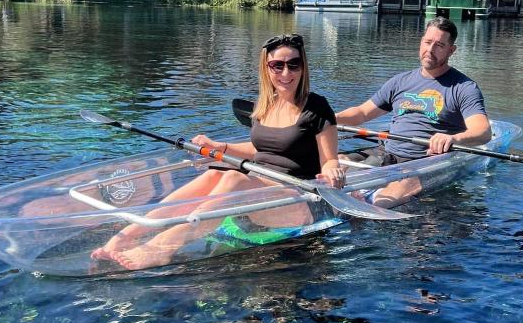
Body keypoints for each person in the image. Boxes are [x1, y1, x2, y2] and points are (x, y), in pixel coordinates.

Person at [92, 33, 344, 269]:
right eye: (277, 65)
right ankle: (125, 236)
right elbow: (263, 148)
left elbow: (330, 159)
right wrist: (220, 147)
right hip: (261, 189)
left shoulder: (316, 106)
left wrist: (334, 171)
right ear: (266, 69)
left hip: (298, 201)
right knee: (216, 173)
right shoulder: (265, 105)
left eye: (294, 64)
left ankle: (161, 247)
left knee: (233, 176)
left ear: (303, 67)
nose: (286, 72)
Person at [336, 17, 491, 207]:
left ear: (452, 50)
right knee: (337, 162)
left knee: (387, 198)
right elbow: (362, 113)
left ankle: (364, 203)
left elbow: (483, 131)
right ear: (421, 42)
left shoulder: (464, 87)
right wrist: (327, 118)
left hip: (424, 162)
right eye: (427, 42)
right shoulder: (400, 81)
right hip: (387, 153)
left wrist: (453, 139)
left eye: (439, 45)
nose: (430, 49)